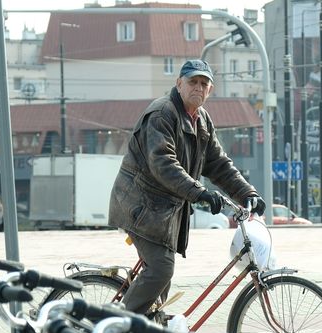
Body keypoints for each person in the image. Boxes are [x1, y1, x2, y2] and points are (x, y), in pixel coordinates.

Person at [108, 59, 263, 317]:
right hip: (140, 206)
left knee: (160, 284)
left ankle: (145, 332)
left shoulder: (201, 120)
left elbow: (219, 164)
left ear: (210, 90)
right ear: (179, 83)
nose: (198, 88)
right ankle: (116, 329)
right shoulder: (162, 114)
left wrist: (248, 193)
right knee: (160, 269)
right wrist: (199, 192)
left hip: (163, 212)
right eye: (193, 82)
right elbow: (163, 164)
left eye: (204, 84)